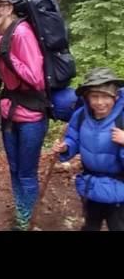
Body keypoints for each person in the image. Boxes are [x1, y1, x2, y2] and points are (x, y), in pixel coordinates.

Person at [0, 0, 47, 231]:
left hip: (31, 114)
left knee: (27, 171)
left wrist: (8, 54)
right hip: (10, 111)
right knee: (14, 167)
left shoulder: (21, 33)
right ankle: (22, 207)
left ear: (10, 8)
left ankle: (25, 218)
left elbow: (36, 78)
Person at [52, 68, 124, 231]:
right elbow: (73, 139)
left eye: (106, 96)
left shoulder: (122, 118)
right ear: (87, 98)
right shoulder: (80, 116)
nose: (100, 102)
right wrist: (66, 148)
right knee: (91, 224)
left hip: (119, 188)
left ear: (116, 96)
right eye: (95, 96)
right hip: (90, 186)